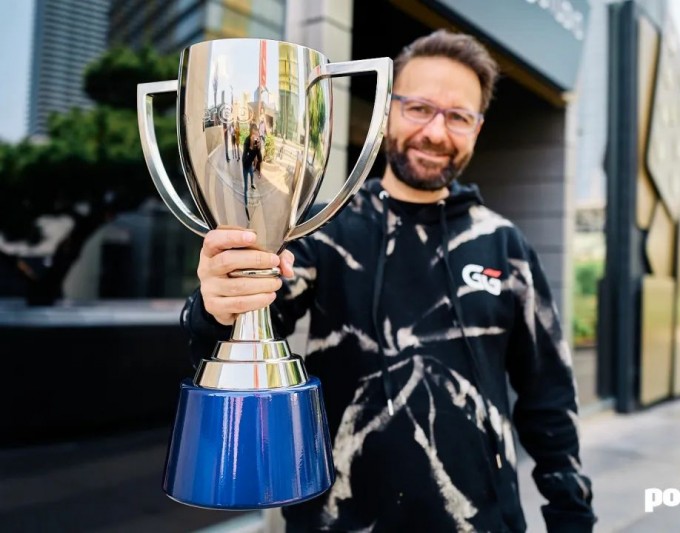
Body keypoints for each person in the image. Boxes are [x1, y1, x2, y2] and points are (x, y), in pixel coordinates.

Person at [183, 30, 596, 532]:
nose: (436, 132)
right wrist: (218, 303)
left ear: (478, 127)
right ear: (387, 110)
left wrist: (572, 517)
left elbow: (549, 399)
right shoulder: (319, 230)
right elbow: (234, 330)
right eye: (419, 108)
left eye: (458, 116)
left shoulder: (505, 246)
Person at [242, 123, 262, 205]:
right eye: (253, 135)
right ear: (250, 134)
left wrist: (259, 148)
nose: (255, 138)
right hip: (245, 165)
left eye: (256, 135)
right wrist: (251, 146)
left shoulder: (256, 143)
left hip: (250, 165)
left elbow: (260, 159)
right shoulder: (246, 142)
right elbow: (245, 161)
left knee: (252, 175)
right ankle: (246, 203)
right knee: (246, 185)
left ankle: (252, 184)